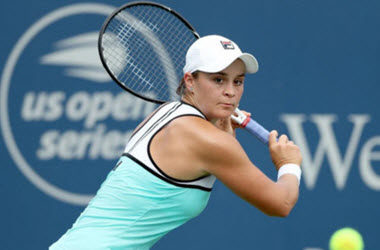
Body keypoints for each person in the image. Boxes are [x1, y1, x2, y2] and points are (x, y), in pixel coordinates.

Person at [50, 35, 302, 249]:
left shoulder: (165, 113)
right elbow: (280, 204)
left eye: (238, 81)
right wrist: (288, 164)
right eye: (218, 79)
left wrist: (222, 125)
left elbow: (206, 156)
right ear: (190, 81)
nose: (231, 91)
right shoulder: (207, 141)